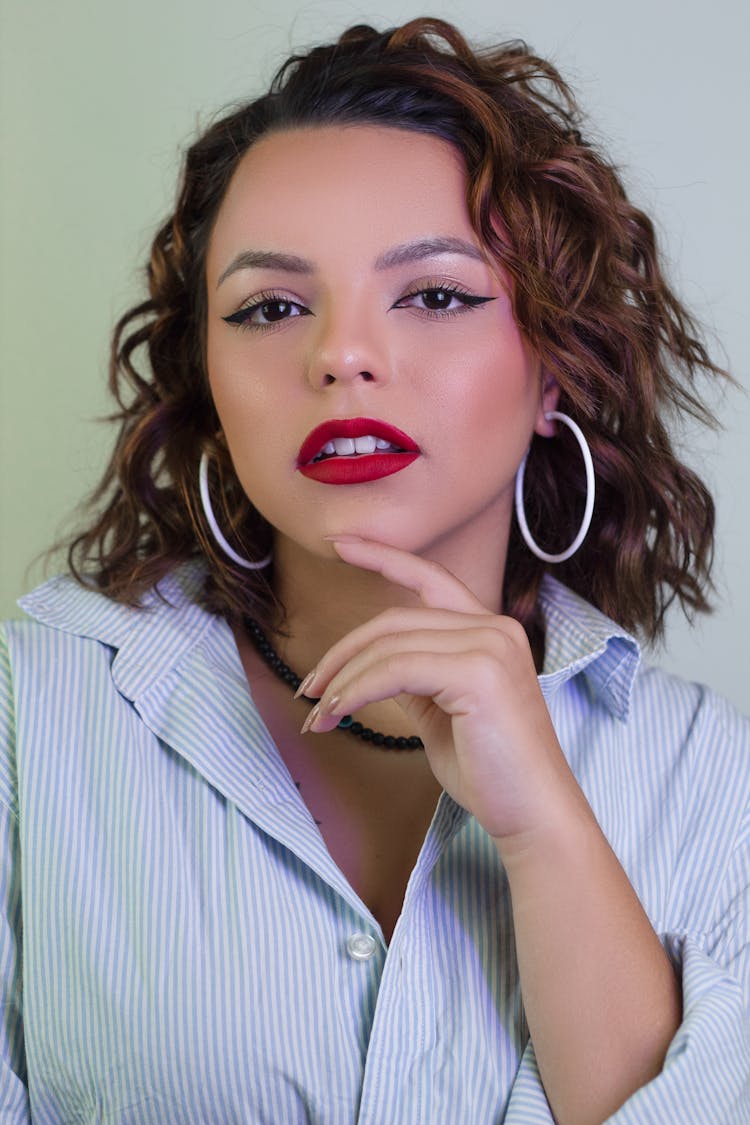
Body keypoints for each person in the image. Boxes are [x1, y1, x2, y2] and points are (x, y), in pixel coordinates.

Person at [1, 16, 747, 1124]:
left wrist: (544, 828)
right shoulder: (29, 711)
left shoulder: (708, 774)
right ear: (209, 388)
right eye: (271, 307)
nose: (341, 354)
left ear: (555, 375)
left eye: (435, 295)